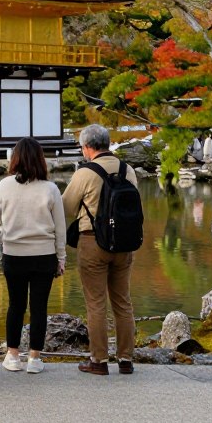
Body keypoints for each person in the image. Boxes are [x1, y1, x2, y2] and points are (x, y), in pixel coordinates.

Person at [62, 123, 138, 375]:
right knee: (123, 302)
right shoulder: (128, 170)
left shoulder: (85, 173)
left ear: (87, 147)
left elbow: (66, 208)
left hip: (93, 242)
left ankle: (99, 360)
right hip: (125, 243)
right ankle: (126, 359)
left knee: (96, 303)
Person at [0, 137, 66, 375]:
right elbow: (60, 228)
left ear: (15, 159)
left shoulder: (4, 185)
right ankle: (34, 358)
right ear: (40, 160)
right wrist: (61, 258)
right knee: (39, 307)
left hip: (13, 253)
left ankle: (12, 355)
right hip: (44, 255)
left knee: (16, 305)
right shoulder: (51, 189)